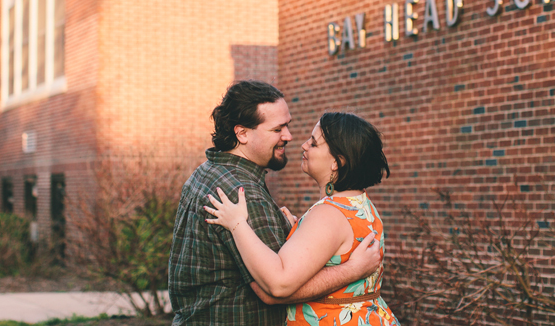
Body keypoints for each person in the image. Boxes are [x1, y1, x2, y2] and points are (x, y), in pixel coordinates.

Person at [168, 81, 383, 325]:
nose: (291, 137)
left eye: (288, 126)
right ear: (242, 133)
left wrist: (290, 231)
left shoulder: (208, 171)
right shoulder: (241, 192)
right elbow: (274, 288)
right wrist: (352, 270)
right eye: (277, 129)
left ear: (337, 161)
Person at [204, 111, 399, 326]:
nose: (304, 145)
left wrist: (237, 223)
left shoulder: (328, 214)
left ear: (337, 162)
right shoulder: (359, 204)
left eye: (314, 143)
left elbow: (277, 286)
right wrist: (299, 231)